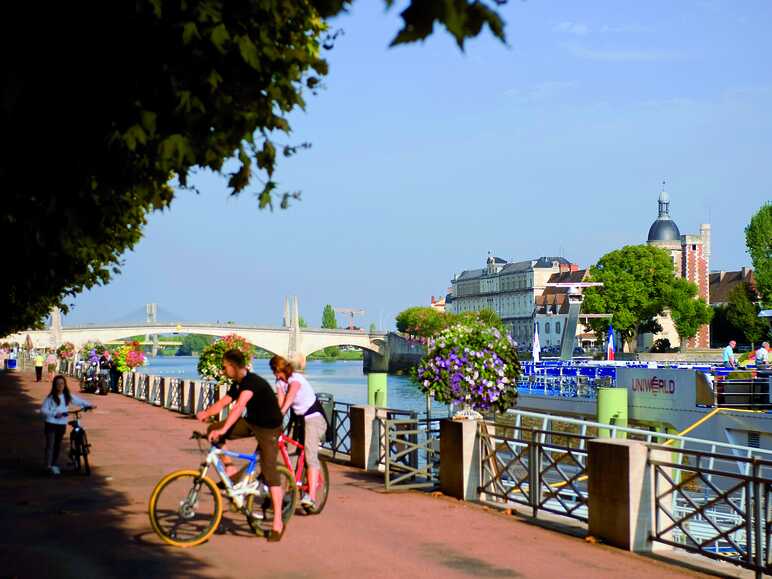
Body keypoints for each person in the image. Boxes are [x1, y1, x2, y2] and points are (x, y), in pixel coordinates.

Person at [195, 349, 286, 541]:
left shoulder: (251, 382)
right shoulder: (238, 383)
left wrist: (224, 429)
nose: (222, 370)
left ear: (234, 367)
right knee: (213, 429)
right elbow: (224, 402)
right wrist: (206, 413)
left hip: (270, 427)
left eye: (225, 366)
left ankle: (278, 521)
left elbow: (238, 408)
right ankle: (232, 472)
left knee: (270, 471)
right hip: (252, 422)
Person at [271, 354, 327, 512]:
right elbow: (280, 401)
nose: (276, 375)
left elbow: (289, 399)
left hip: (313, 418)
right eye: (274, 371)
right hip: (298, 420)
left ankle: (311, 497)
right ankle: (289, 492)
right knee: (289, 455)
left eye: (277, 371)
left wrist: (281, 413)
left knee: (310, 454)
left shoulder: (296, 379)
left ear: (284, 369)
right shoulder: (279, 382)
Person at [40, 375, 93, 475]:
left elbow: (79, 401)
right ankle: (48, 466)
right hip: (51, 424)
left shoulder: (67, 396)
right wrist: (54, 414)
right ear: (54, 385)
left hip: (61, 425)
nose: (60, 385)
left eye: (62, 383)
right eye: (58, 384)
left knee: (57, 446)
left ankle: (54, 464)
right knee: (50, 445)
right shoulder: (50, 398)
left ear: (65, 385)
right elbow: (43, 410)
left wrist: (89, 405)